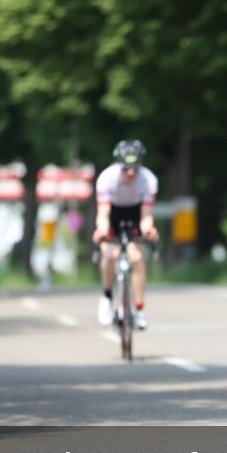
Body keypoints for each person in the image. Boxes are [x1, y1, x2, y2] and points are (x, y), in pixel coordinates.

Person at [92, 140, 160, 330]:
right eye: (126, 168)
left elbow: (146, 216)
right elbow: (103, 214)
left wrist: (149, 230)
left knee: (137, 258)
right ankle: (107, 297)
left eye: (135, 168)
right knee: (110, 255)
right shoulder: (106, 178)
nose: (130, 173)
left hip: (135, 213)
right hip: (112, 214)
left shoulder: (148, 180)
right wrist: (102, 230)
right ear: (118, 165)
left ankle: (139, 309)